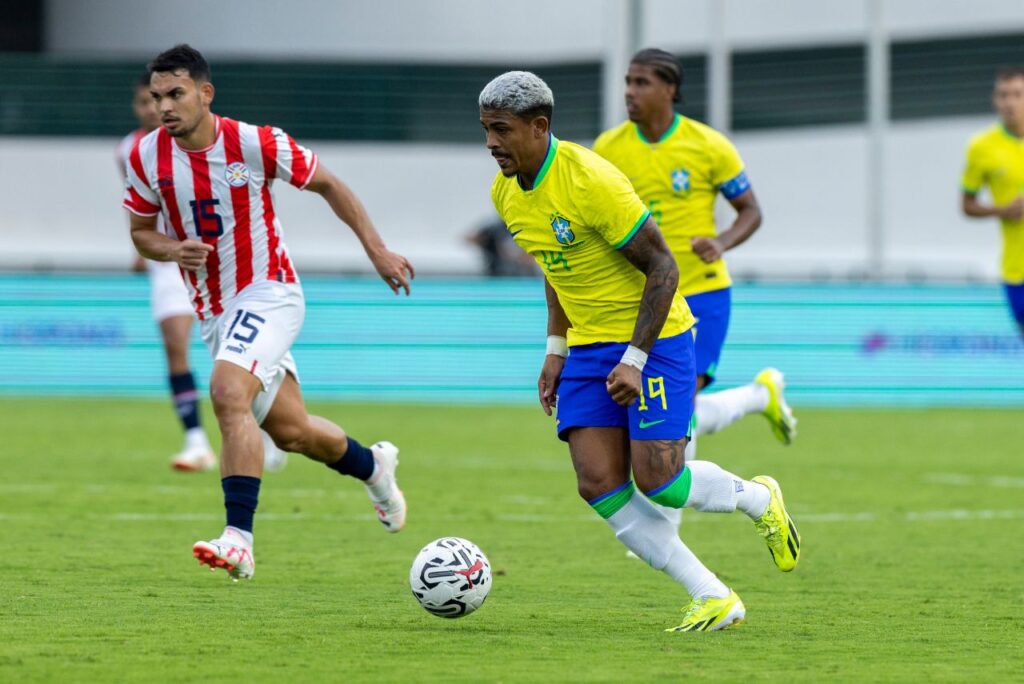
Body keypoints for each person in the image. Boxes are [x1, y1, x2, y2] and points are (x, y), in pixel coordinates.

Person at [480, 71, 800, 632]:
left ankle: (756, 498)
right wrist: (555, 348)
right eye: (485, 129)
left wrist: (634, 357)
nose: (491, 143)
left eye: (501, 130)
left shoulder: (590, 180)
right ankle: (712, 595)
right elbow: (554, 267)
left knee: (662, 481)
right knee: (597, 481)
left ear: (539, 126)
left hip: (655, 339)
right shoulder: (504, 192)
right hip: (586, 346)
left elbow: (664, 266)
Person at [122, 45, 413, 581]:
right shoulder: (145, 156)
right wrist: (173, 249)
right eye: (157, 96)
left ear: (205, 93)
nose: (164, 106)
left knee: (227, 391)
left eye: (175, 94)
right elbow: (140, 233)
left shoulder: (253, 142)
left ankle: (239, 539)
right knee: (294, 433)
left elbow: (329, 184)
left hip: (269, 292)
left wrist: (377, 250)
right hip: (215, 314)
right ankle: (373, 466)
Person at [592, 50, 797, 520]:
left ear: (670, 89)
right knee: (670, 407)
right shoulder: (607, 148)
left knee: (680, 405)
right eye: (628, 82)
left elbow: (751, 211)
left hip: (702, 291)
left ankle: (667, 523)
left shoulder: (708, 145)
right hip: (643, 296)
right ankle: (758, 396)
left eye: (641, 82)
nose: (629, 92)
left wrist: (721, 242)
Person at [117, 73, 288, 474]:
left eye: (163, 98)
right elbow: (138, 206)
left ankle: (270, 432)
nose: (155, 108)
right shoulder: (132, 150)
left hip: (225, 266)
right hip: (170, 262)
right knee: (175, 344)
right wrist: (149, 248)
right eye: (147, 101)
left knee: (240, 358)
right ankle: (195, 440)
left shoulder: (220, 140)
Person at [961, 65, 1024, 336]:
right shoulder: (982, 147)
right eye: (1003, 95)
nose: (1010, 102)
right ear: (995, 100)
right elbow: (967, 205)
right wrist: (1002, 210)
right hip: (1016, 269)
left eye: (1018, 94)